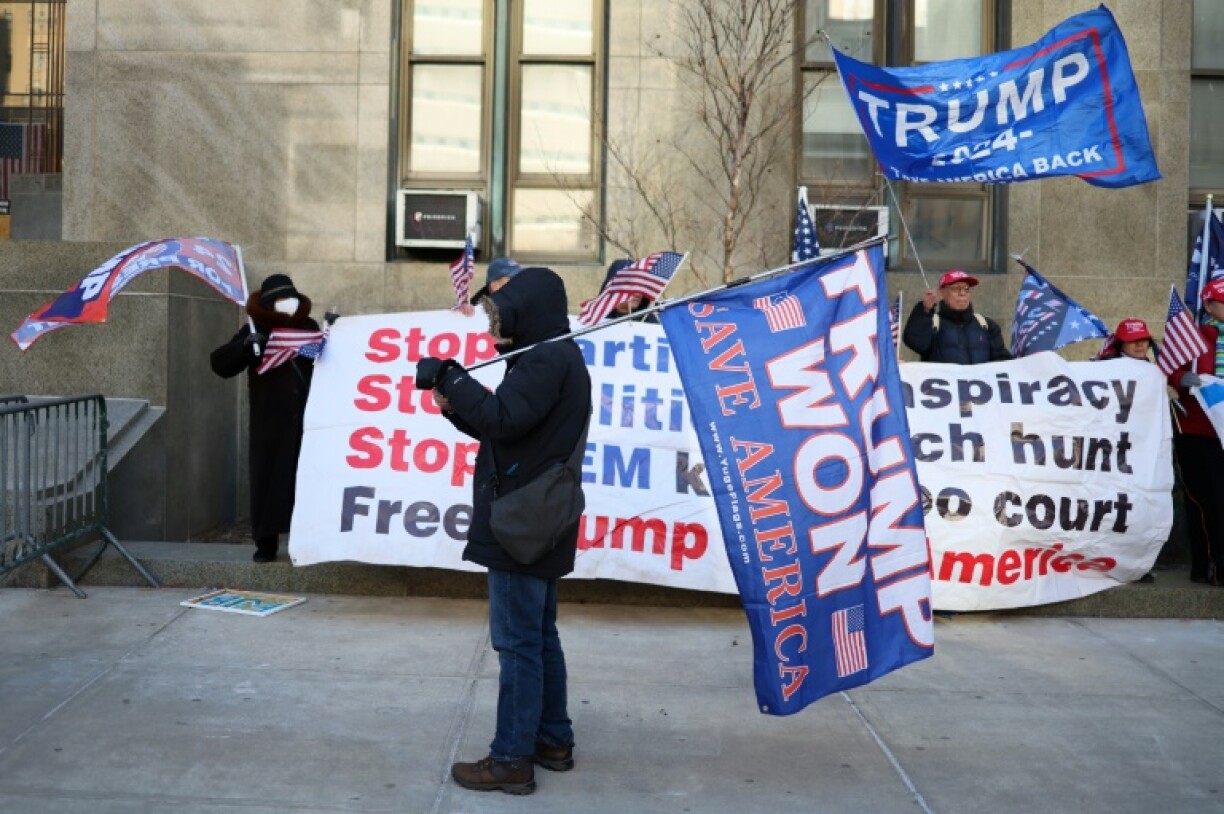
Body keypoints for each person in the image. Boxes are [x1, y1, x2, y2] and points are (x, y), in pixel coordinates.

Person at [415, 264, 592, 795]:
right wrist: (456, 407)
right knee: (539, 637)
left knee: (517, 644)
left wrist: (449, 375)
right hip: (539, 517)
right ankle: (551, 739)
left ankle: (512, 758)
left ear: (529, 308)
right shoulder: (547, 357)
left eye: (504, 309)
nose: (497, 320)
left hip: (522, 522)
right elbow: (504, 428)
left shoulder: (546, 357)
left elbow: (504, 419)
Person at [209, 274, 319, 563]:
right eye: (282, 300)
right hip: (269, 421)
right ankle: (266, 542)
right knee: (267, 480)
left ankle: (304, 540)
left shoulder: (309, 327)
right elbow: (219, 363)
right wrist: (245, 347)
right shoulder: (255, 328)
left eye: (291, 297)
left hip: (307, 420)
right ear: (270, 303)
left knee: (305, 482)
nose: (289, 304)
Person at [1168, 279, 1224, 586]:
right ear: (1210, 306)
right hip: (1199, 432)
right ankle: (1206, 564)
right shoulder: (1193, 338)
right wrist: (1181, 378)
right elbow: (1169, 368)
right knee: (1204, 500)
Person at [902, 270, 1012, 364]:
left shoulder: (986, 325)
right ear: (941, 293)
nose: (962, 293)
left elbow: (1002, 361)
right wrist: (924, 310)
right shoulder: (933, 323)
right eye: (956, 288)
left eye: (966, 288)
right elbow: (915, 342)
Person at [600, 256, 658, 323]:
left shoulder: (649, 322)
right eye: (631, 286)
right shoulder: (595, 319)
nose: (638, 294)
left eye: (640, 287)